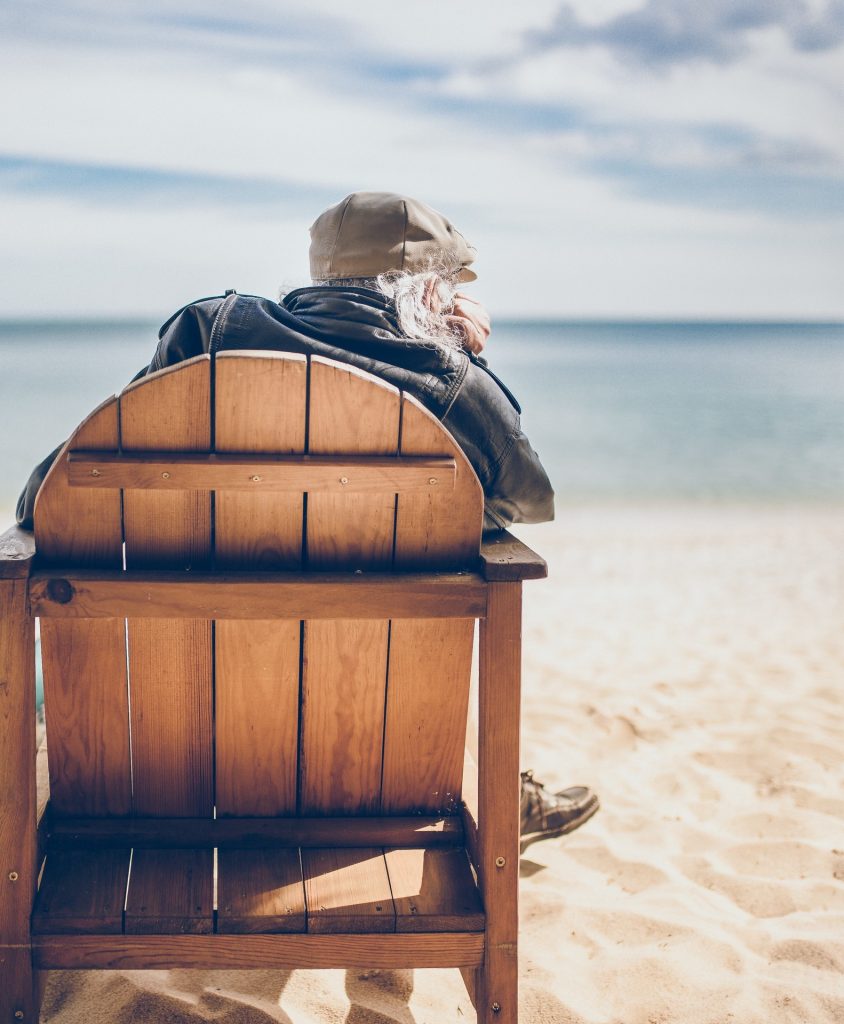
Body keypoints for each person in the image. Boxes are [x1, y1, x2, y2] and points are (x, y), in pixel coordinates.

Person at [16, 190, 599, 847]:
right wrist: (465, 369)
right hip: (367, 750)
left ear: (321, 273)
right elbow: (527, 502)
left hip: (166, 745)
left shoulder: (207, 335)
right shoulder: (450, 380)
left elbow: (43, 500)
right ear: (430, 291)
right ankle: (495, 802)